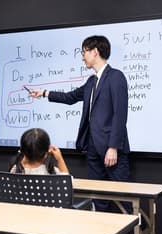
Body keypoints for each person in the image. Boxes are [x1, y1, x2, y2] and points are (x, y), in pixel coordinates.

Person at [30, 35, 130, 212]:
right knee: (98, 198)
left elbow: (120, 115)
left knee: (123, 199)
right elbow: (70, 97)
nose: (82, 56)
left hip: (111, 149)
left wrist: (113, 147)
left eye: (84, 52)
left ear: (95, 52)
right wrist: (44, 93)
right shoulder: (91, 82)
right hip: (93, 148)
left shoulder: (116, 77)